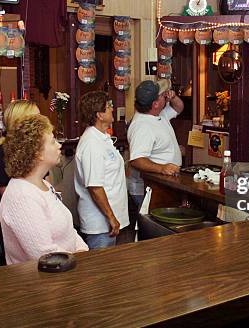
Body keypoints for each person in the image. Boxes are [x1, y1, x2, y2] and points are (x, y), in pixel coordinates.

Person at [0, 114, 88, 264]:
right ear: (37, 153)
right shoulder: (21, 196)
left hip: (67, 272)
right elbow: (44, 254)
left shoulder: (44, 185)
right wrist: (79, 260)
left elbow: (69, 231)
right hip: (40, 282)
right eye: (53, 141)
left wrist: (82, 251)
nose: (59, 145)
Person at [74, 91, 129, 249]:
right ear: (99, 114)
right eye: (109, 106)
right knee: (101, 271)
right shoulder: (92, 143)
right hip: (100, 225)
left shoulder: (102, 137)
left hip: (110, 221)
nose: (112, 109)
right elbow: (95, 186)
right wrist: (111, 217)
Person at [127, 79, 184, 210]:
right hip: (149, 188)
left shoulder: (158, 113)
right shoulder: (142, 126)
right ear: (155, 104)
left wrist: (173, 97)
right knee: (153, 225)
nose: (165, 95)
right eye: (161, 95)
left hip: (164, 184)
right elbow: (136, 160)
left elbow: (179, 108)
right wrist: (162, 168)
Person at [0, 100, 40, 205]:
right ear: (21, 123)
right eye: (37, 119)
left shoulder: (35, 149)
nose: (42, 123)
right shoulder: (2, 154)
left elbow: (48, 188)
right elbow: (11, 202)